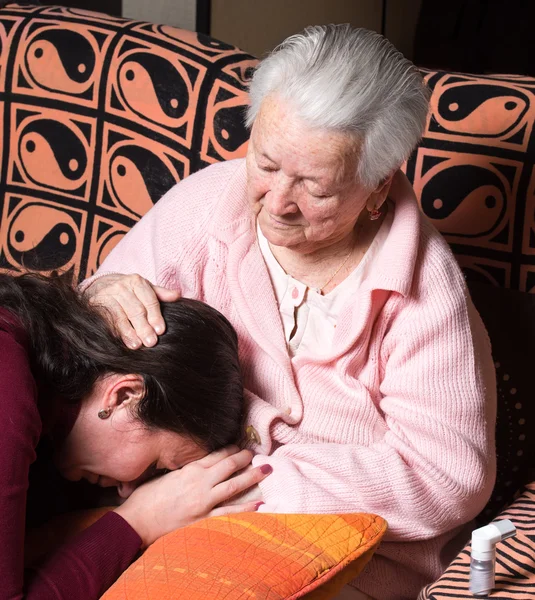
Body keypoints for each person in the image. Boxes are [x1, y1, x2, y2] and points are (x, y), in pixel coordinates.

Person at [81, 25, 497, 600]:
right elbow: (88, 327)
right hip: (177, 523)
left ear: (378, 186)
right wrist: (101, 297)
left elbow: (448, 478)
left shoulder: (424, 286)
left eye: (315, 187)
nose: (277, 203)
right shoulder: (207, 205)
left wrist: (241, 488)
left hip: (353, 554)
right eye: (267, 163)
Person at [0, 272, 271, 599]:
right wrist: (137, 521)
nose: (129, 490)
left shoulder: (51, 413)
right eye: (156, 466)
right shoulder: (9, 396)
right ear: (123, 395)